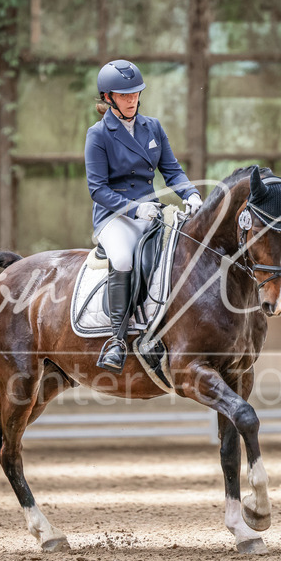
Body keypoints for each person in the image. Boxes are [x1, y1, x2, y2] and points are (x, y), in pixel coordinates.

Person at [85, 59, 203, 373]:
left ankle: (157, 332)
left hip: (152, 213)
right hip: (115, 216)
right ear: (108, 98)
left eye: (136, 93)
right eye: (124, 95)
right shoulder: (98, 135)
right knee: (124, 259)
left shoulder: (153, 127)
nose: (132, 99)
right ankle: (117, 340)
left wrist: (191, 194)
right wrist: (136, 208)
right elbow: (97, 189)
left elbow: (172, 170)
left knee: (176, 258)